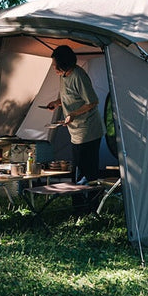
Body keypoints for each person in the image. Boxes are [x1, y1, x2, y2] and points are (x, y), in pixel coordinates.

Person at [45, 45, 105, 212]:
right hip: (76, 131)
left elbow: (92, 101)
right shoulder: (63, 76)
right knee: (78, 169)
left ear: (64, 63)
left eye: (55, 64)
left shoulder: (79, 76)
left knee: (86, 171)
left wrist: (72, 114)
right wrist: (56, 103)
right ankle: (80, 207)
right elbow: (66, 95)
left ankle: (89, 208)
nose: (53, 67)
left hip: (88, 130)